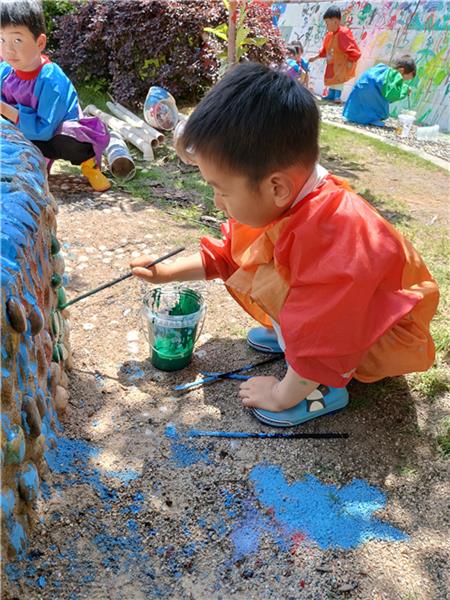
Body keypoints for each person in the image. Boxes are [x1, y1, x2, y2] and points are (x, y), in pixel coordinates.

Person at [131, 62, 439, 428]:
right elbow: (232, 254)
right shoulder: (286, 196)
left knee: (314, 336)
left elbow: (326, 334)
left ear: (276, 187)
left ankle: (323, 388)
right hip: (338, 314)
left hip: (381, 334)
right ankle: (293, 343)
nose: (216, 202)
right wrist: (167, 273)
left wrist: (282, 393)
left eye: (221, 191)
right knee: (269, 270)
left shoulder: (333, 237)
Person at [0, 0, 111, 192]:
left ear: (40, 42)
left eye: (17, 40)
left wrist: (4, 109)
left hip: (55, 133)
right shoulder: (5, 71)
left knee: (69, 140)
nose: (8, 49)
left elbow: (45, 129)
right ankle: (36, 161)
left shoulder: (50, 79)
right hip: (26, 130)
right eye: (2, 40)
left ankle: (89, 165)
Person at [343, 56, 416, 126]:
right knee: (383, 111)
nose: (402, 81)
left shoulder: (381, 69)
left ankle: (356, 116)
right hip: (370, 95)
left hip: (355, 102)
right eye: (404, 78)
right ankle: (371, 119)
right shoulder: (394, 75)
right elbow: (391, 95)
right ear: (401, 70)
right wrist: (405, 90)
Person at [309, 5, 361, 103]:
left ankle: (337, 95)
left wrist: (351, 60)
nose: (326, 25)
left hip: (341, 63)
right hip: (332, 63)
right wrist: (315, 57)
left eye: (327, 22)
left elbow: (352, 49)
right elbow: (325, 50)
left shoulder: (343, 33)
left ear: (335, 21)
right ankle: (331, 94)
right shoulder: (330, 35)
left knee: (339, 78)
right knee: (332, 78)